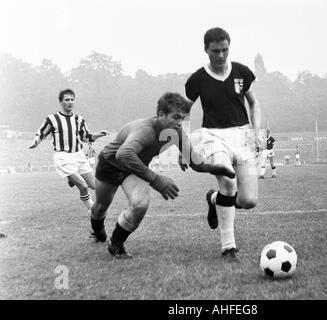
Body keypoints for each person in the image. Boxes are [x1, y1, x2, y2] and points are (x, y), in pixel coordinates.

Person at [89, 92, 235, 258]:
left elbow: (196, 163)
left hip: (134, 169)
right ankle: (97, 230)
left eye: (183, 119)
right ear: (160, 115)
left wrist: (218, 168)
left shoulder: (176, 132)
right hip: (110, 165)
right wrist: (156, 180)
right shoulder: (145, 130)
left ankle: (115, 243)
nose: (180, 123)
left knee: (140, 204)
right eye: (176, 117)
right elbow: (123, 154)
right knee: (100, 207)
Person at [185, 27, 261, 261]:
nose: (220, 55)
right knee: (228, 184)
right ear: (206, 49)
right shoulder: (197, 79)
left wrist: (256, 132)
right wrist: (184, 145)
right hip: (213, 136)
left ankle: (213, 199)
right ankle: (228, 247)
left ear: (229, 47)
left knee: (248, 201)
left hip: (242, 136)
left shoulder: (241, 72)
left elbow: (254, 103)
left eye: (224, 50)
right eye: (215, 51)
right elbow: (184, 114)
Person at [29, 89, 109, 214]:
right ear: (60, 102)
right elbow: (41, 132)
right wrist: (35, 142)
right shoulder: (52, 118)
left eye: (72, 99)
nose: (70, 102)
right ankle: (92, 210)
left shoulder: (79, 119)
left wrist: (98, 135)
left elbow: (86, 137)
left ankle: (72, 179)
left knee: (95, 186)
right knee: (82, 185)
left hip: (79, 155)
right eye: (67, 99)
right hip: (63, 156)